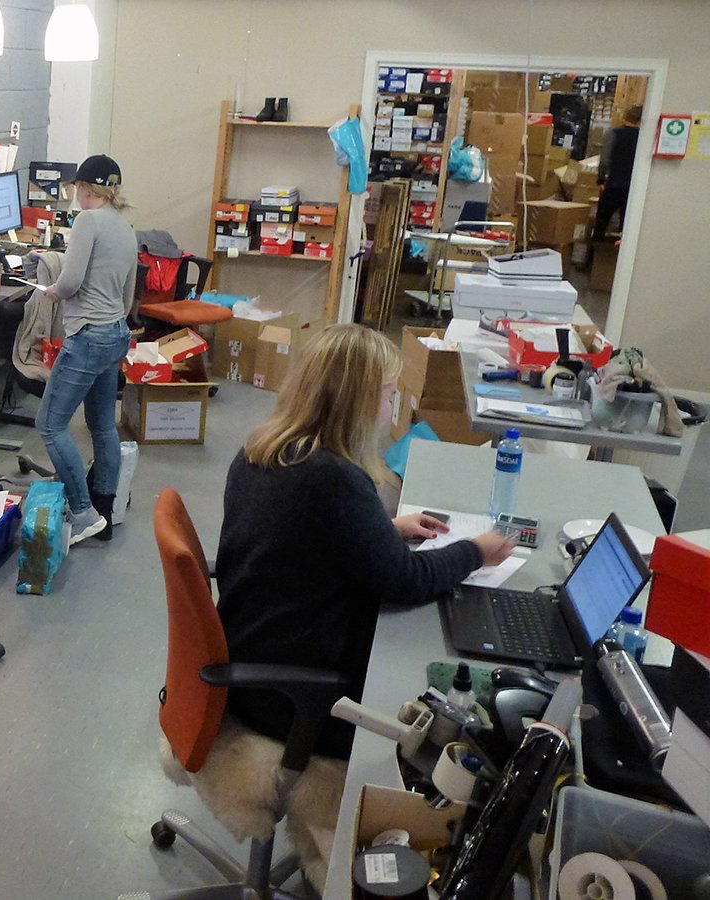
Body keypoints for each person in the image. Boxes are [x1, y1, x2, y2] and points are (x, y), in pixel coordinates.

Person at [195, 324, 516, 890]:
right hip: (293, 698)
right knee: (441, 718)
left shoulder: (261, 451)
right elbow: (407, 581)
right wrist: (477, 551)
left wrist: (383, 528)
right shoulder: (336, 481)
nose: (394, 407)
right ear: (361, 402)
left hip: (252, 659)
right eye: (389, 394)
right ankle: (353, 858)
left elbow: (301, 540)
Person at [34, 154, 138, 545]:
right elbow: (128, 298)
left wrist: (52, 291)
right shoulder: (126, 227)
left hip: (88, 338)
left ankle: (82, 512)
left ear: (82, 187)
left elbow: (70, 281)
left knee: (50, 425)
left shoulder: (87, 221)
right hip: (115, 334)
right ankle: (104, 512)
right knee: (102, 425)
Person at [593, 104, 641, 240]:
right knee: (626, 226)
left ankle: (595, 250)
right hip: (632, 187)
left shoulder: (613, 133)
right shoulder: (643, 138)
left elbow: (605, 160)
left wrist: (601, 179)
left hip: (613, 184)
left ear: (625, 117)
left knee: (601, 222)